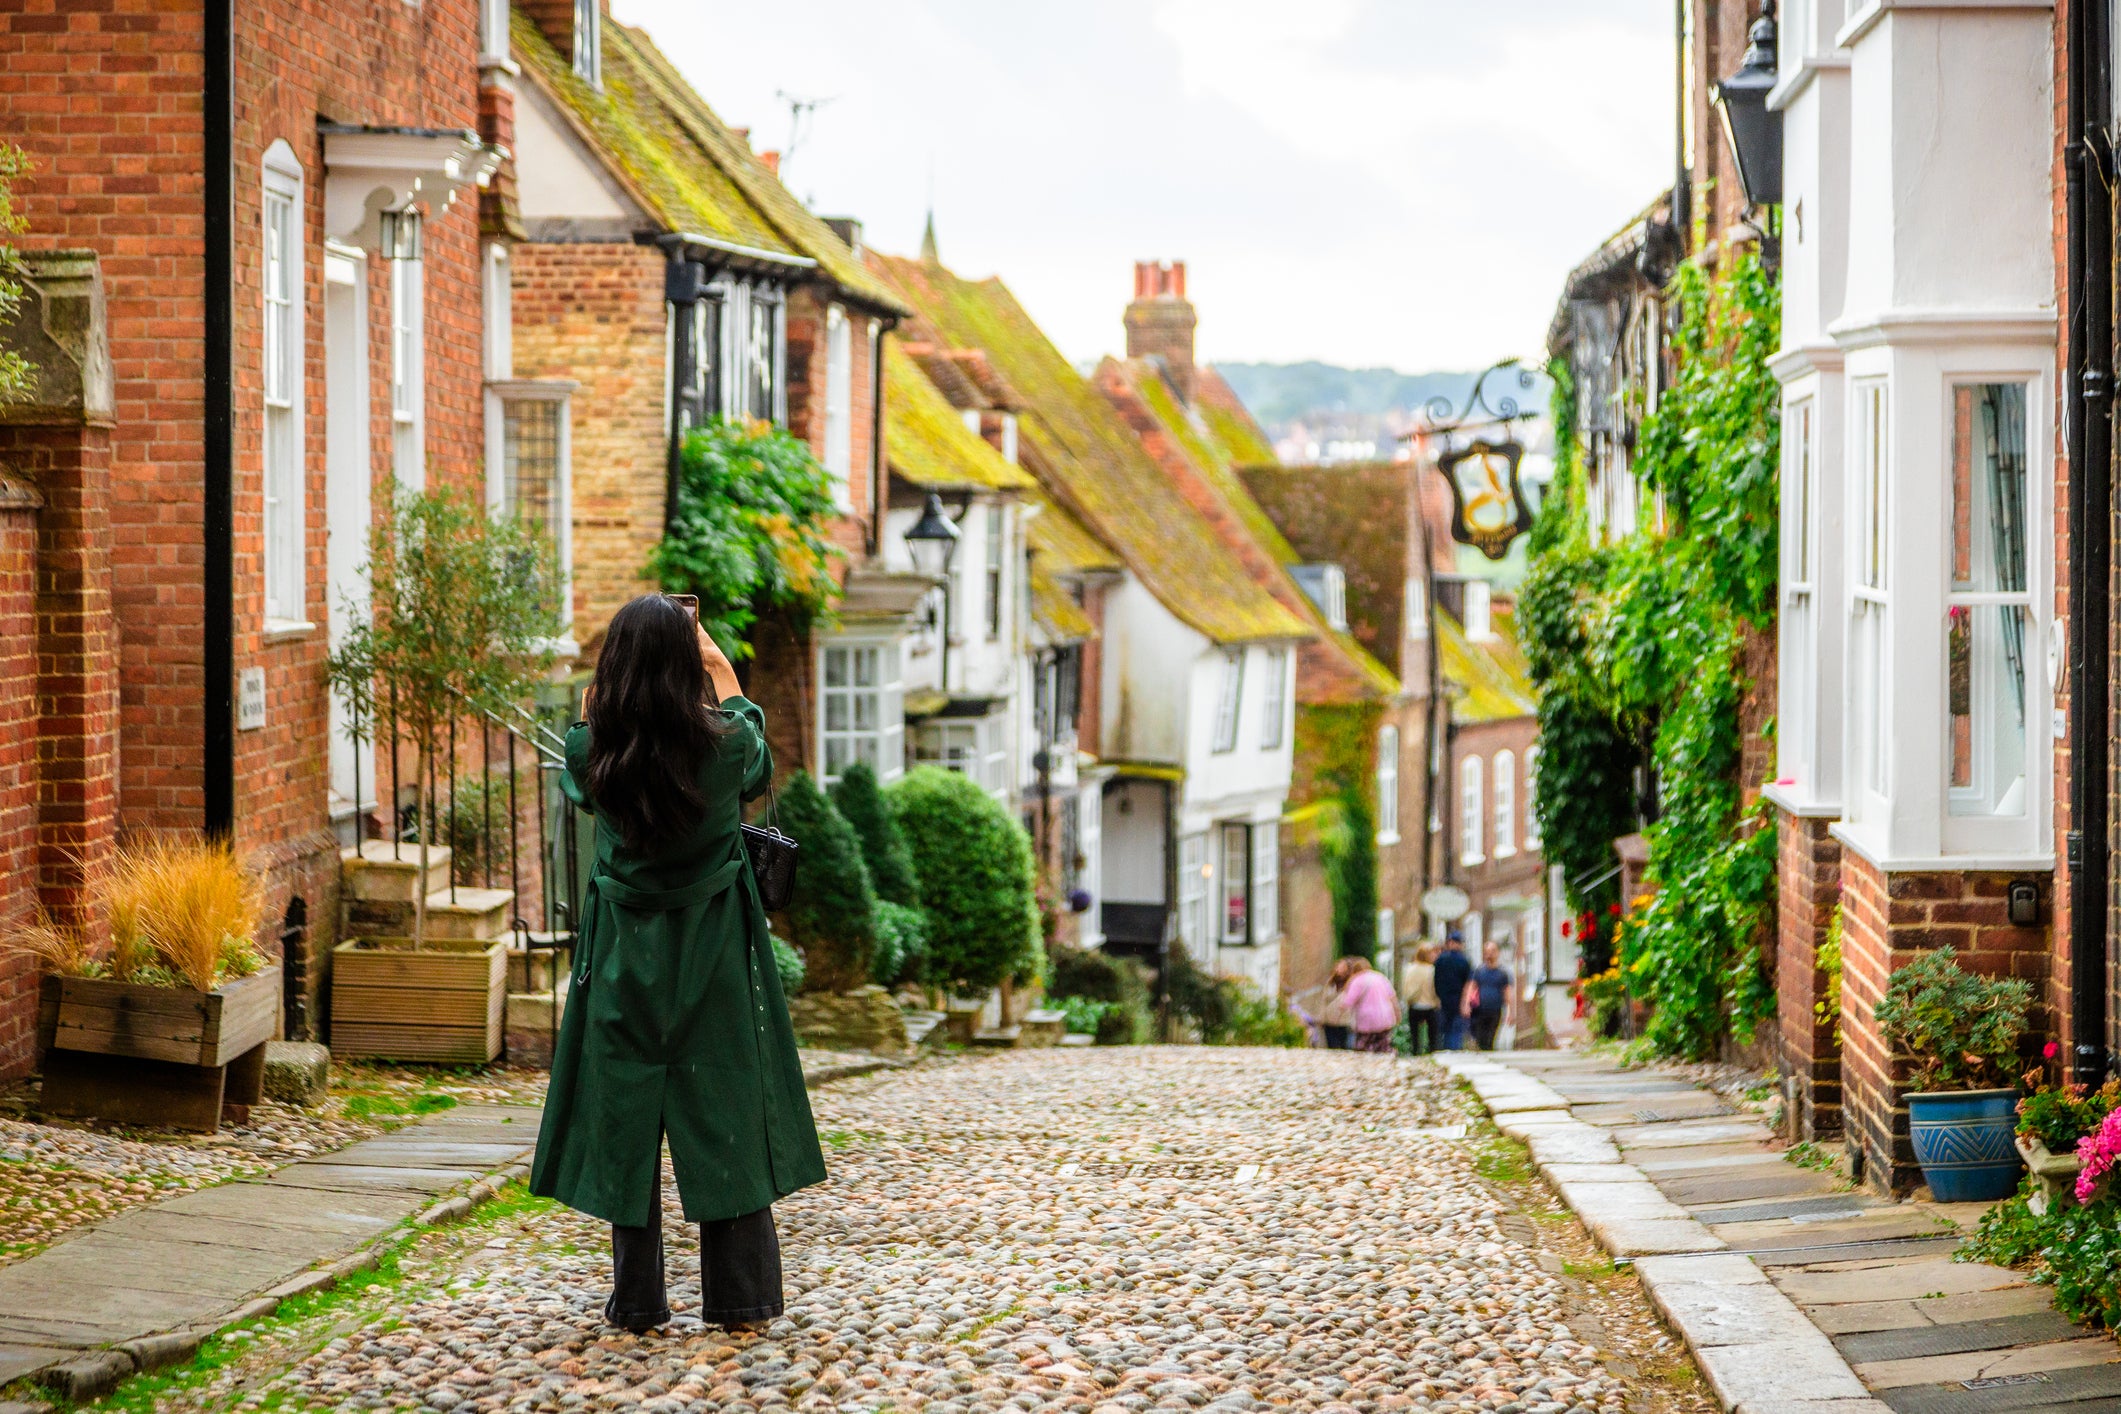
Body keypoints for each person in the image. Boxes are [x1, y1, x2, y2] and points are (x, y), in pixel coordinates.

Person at [530, 594, 826, 1335]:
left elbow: (580, 747)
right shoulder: (724, 750)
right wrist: (720, 665)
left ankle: (636, 1300)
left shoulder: (592, 752)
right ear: (686, 663)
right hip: (713, 962)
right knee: (725, 1111)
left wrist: (610, 690)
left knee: (624, 1119)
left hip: (623, 963)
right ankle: (740, 1297)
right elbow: (754, 747)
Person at [1342, 956, 1401, 1053]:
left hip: (1366, 1020)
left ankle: (1367, 1066)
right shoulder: (1380, 977)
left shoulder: (1357, 980)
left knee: (1364, 1048)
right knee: (1383, 1047)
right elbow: (1393, 998)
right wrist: (1397, 1015)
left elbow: (1347, 1002)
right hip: (1385, 1017)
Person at [1466, 939, 1515, 1051]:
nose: (1490, 954)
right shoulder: (1479, 971)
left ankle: (1488, 1054)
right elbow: (1472, 987)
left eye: (1493, 951)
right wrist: (1467, 1004)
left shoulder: (1503, 973)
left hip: (1495, 1010)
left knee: (1490, 1037)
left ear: (1498, 953)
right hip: (1479, 1010)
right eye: (1487, 951)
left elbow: (1507, 992)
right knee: (1480, 1037)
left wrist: (1510, 1012)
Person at [1432, 933, 1472, 1051]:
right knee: (1456, 1028)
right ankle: (1455, 1050)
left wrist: (1438, 996)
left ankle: (1446, 1049)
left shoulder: (1440, 960)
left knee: (1445, 1027)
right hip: (1458, 998)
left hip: (1443, 998)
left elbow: (1435, 980)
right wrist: (1465, 1002)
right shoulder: (1464, 961)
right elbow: (1467, 983)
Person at [1401, 944, 1440, 1056]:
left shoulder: (1409, 969)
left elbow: (1405, 987)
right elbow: (1434, 988)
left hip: (1414, 1005)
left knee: (1415, 1034)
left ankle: (1415, 1053)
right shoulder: (1431, 970)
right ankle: (1432, 1053)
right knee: (1432, 1034)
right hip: (1429, 1005)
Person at [1319, 957, 1357, 1050]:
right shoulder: (1330, 982)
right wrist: (1322, 1017)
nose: (1338, 969)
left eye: (1342, 966)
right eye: (1338, 966)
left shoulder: (1352, 983)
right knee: (1331, 1047)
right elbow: (1324, 1001)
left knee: (1345, 1048)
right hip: (1329, 1021)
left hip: (1344, 1021)